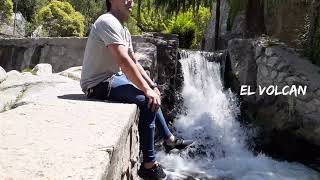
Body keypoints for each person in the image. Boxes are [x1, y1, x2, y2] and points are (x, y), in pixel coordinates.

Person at [80, 0, 193, 179]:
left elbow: (134, 62)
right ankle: (149, 165)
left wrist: (152, 86)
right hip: (97, 84)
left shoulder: (123, 29)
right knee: (146, 101)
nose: (131, 1)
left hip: (112, 78)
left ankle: (169, 139)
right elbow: (124, 62)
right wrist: (146, 91)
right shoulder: (106, 21)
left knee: (151, 94)